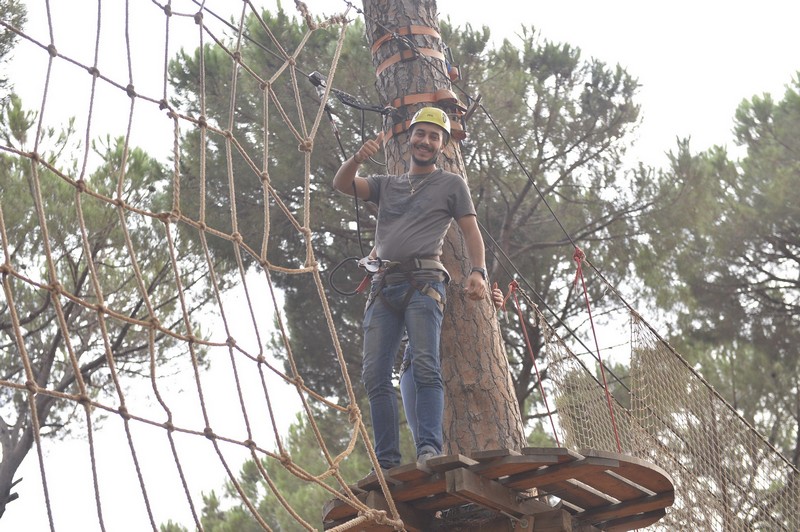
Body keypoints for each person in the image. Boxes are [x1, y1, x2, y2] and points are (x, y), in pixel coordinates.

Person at [333, 107, 487, 471]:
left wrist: (478, 271)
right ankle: (386, 461)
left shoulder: (451, 185)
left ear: (443, 145)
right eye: (421, 134)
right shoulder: (387, 184)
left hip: (424, 284)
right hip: (385, 286)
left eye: (434, 136)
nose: (426, 141)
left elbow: (470, 231)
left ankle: (429, 450)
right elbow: (342, 185)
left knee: (425, 366)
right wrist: (357, 158)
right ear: (411, 138)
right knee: (374, 375)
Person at [399, 285, 505, 446]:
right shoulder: (412, 279)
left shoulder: (472, 278)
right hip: (418, 355)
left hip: (461, 358)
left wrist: (489, 308)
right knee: (425, 441)